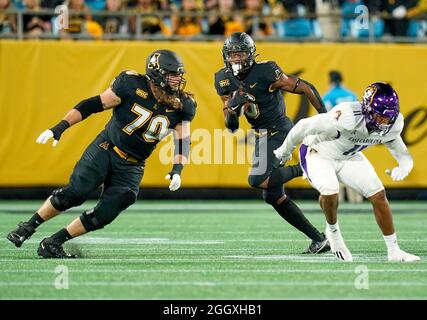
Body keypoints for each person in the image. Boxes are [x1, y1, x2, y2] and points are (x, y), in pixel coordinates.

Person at [7, 49, 196, 258]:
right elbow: (92, 105)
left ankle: (54, 242)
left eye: (179, 75)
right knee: (77, 191)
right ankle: (28, 227)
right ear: (157, 73)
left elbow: (182, 140)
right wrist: (59, 127)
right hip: (107, 147)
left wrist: (177, 169)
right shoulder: (130, 84)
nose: (178, 81)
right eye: (172, 75)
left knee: (107, 212)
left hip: (133, 164)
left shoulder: (183, 104)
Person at [274, 82, 420, 262]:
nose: (384, 122)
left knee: (378, 194)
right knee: (330, 190)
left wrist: (404, 166)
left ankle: (394, 251)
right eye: (380, 116)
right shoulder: (347, 116)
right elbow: (304, 126)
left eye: (388, 117)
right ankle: (333, 234)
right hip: (319, 152)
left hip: (349, 156)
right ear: (367, 109)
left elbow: (401, 152)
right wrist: (285, 151)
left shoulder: (393, 124)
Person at [214, 32, 330, 254]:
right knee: (273, 195)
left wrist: (324, 118)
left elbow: (307, 88)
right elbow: (231, 126)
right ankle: (319, 239)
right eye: (232, 55)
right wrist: (233, 108)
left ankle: (305, 166)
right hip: (261, 135)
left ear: (250, 54)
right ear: (226, 56)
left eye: (240, 54)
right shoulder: (223, 79)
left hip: (279, 131)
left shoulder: (266, 71)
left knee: (257, 179)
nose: (236, 59)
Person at [323, 70, 362, 204]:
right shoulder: (351, 95)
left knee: (334, 168)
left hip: (337, 137)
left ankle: (336, 199)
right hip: (354, 138)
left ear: (330, 80)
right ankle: (356, 200)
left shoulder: (328, 96)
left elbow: (326, 118)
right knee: (354, 167)